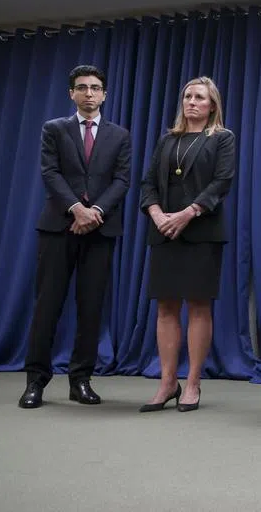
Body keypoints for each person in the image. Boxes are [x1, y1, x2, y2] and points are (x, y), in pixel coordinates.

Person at [19, 65, 132, 409]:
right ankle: (35, 381)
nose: (89, 93)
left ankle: (80, 380)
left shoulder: (119, 135)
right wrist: (75, 209)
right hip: (58, 227)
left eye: (95, 88)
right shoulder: (54, 128)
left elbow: (122, 180)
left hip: (100, 229)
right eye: (82, 87)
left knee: (91, 307)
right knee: (47, 305)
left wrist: (94, 212)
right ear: (71, 93)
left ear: (104, 94)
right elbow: (50, 172)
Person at [138, 77, 235, 413]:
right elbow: (148, 183)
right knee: (165, 307)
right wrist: (156, 214)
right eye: (188, 96)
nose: (192, 102)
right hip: (164, 231)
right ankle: (167, 383)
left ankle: (192, 382)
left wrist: (188, 213)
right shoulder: (168, 140)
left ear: (212, 105)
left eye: (200, 97)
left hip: (201, 231)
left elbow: (222, 182)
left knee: (198, 306)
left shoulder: (222, 138)